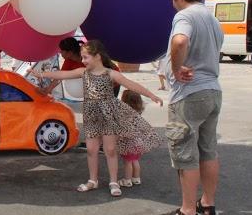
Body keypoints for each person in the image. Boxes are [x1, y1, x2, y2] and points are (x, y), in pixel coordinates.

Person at [36, 40, 163, 197]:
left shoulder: (111, 73)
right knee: (91, 150)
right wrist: (41, 74)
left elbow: (131, 84)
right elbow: (63, 74)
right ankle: (93, 180)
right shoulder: (84, 72)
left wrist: (151, 94)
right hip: (91, 115)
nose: (82, 61)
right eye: (82, 57)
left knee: (110, 150)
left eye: (85, 57)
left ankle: (114, 181)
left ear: (97, 57)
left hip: (108, 115)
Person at [156, 0, 224, 215]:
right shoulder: (212, 19)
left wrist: (175, 68)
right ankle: (207, 203)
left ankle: (187, 211)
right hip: (213, 90)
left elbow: (180, 41)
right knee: (208, 149)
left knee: (185, 153)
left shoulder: (185, 16)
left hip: (189, 93)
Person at [117, 90, 163, 188]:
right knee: (135, 161)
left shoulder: (125, 114)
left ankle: (127, 180)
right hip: (139, 142)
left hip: (129, 143)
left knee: (128, 162)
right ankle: (136, 178)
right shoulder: (138, 112)